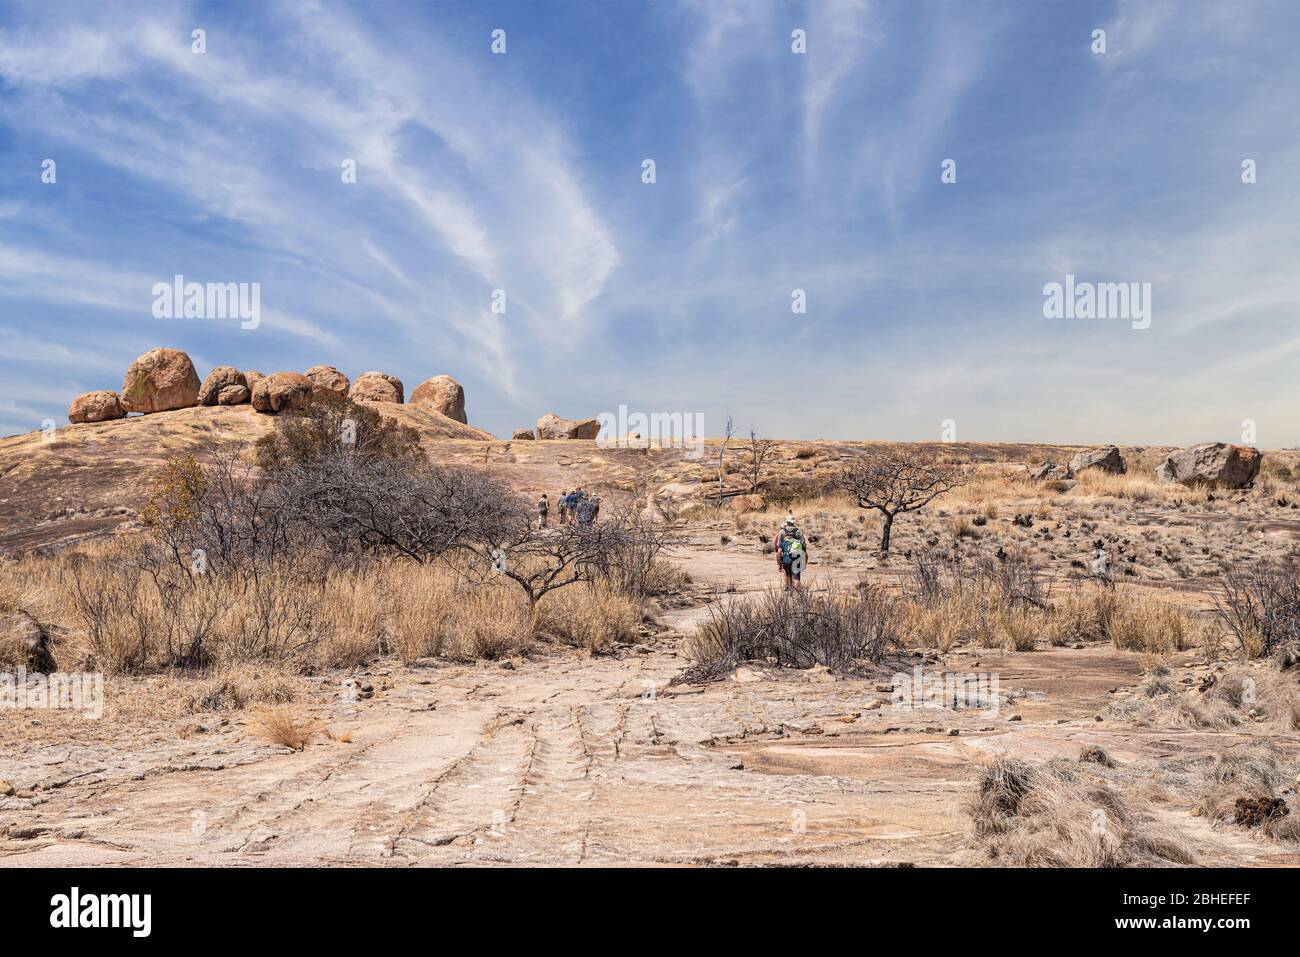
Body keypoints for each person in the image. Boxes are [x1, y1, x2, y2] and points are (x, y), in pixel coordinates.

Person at [774, 516, 808, 590]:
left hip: (786, 556)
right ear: (794, 522)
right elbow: (804, 546)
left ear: (787, 522)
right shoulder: (798, 531)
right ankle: (797, 590)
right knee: (796, 576)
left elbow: (778, 548)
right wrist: (805, 562)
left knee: (787, 573)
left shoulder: (782, 531)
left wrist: (779, 563)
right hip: (797, 556)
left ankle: (787, 587)